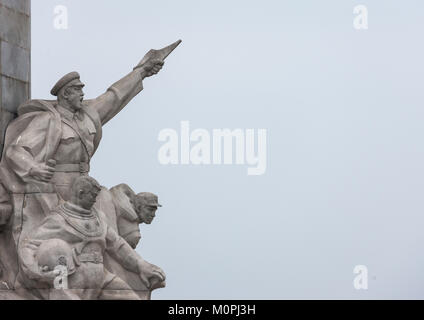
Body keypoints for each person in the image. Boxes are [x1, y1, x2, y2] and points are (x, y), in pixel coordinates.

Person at [18, 176, 165, 300]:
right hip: (75, 277)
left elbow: (117, 245)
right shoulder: (59, 218)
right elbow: (30, 245)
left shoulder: (99, 217)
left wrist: (141, 265)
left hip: (102, 277)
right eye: (92, 196)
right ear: (81, 193)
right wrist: (36, 271)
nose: (95, 200)